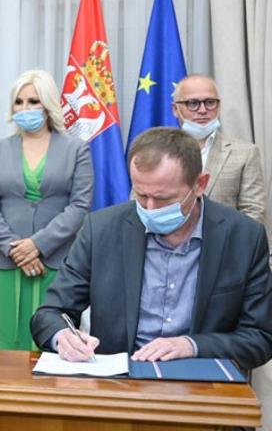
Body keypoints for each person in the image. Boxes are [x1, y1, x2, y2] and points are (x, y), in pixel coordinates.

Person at [31, 127, 272, 370]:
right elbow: (50, 313)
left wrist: (192, 346)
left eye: (164, 199)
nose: (150, 208)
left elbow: (260, 338)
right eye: (141, 195)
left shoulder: (244, 237)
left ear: (200, 184)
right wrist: (63, 336)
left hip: (201, 379)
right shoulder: (102, 229)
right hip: (120, 380)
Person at [0, 69, 93, 350]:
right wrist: (16, 250)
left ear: (48, 104)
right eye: (18, 102)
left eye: (33, 101)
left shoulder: (77, 150)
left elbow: (79, 206)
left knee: (55, 340)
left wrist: (38, 245)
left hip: (56, 260)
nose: (24, 108)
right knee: (9, 341)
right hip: (7, 261)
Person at [170, 74, 266, 225]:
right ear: (176, 109)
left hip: (227, 239)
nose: (203, 110)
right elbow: (140, 205)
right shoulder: (158, 151)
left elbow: (254, 213)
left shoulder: (246, 153)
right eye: (193, 103)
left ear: (219, 106)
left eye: (210, 102)